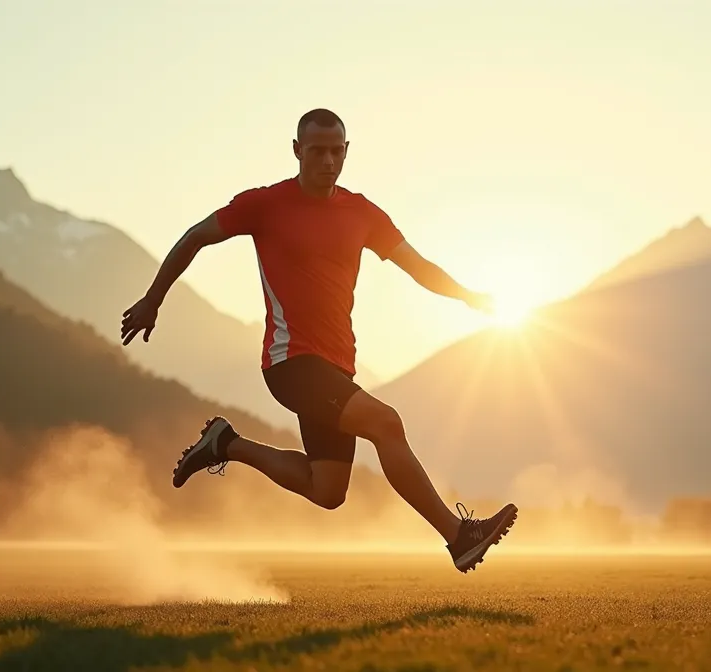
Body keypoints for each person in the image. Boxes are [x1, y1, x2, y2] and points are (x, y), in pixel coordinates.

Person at [119, 108, 517, 573]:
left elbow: (418, 266)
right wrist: (153, 300)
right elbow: (194, 237)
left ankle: (226, 444)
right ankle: (458, 535)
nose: (328, 161)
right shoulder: (264, 205)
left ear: (346, 152)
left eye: (336, 151)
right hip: (290, 363)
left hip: (336, 367)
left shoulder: (363, 213)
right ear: (297, 151)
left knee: (327, 490)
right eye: (317, 151)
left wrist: (467, 295)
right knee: (386, 423)